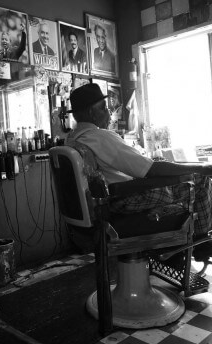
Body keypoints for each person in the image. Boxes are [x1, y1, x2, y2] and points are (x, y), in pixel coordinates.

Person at [65, 83, 212, 261]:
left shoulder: (71, 139)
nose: (109, 112)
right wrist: (200, 168)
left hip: (104, 206)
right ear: (91, 112)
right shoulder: (100, 137)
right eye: (104, 108)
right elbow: (150, 170)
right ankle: (201, 244)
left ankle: (176, 249)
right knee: (201, 181)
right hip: (125, 200)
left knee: (177, 185)